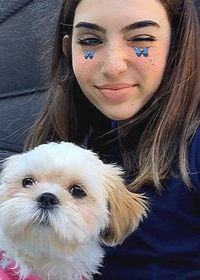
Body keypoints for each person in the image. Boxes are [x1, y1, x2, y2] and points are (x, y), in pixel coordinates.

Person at [25, 0, 200, 279]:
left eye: (141, 39)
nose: (113, 66)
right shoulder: (79, 132)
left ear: (177, 46)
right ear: (68, 49)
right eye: (90, 40)